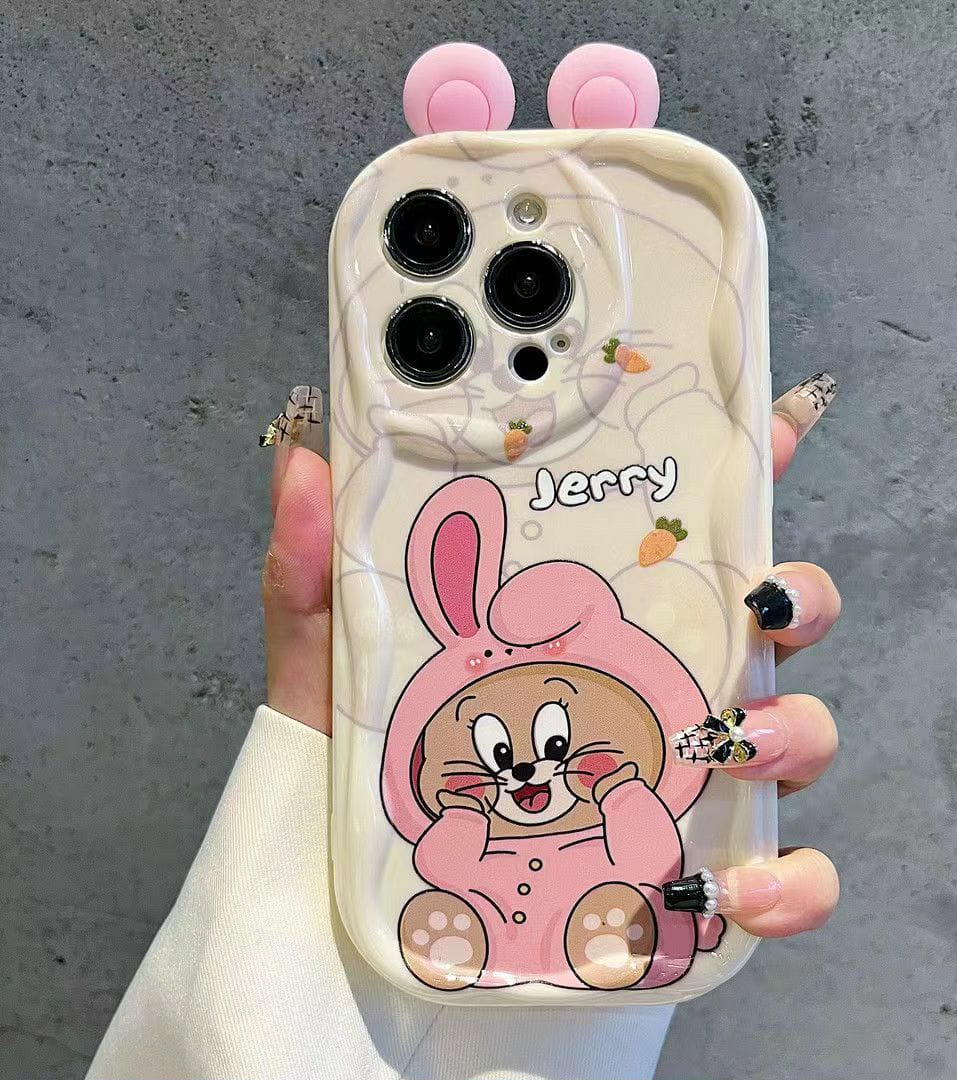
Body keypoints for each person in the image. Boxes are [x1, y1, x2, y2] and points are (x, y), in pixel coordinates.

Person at [87, 376, 841, 1080]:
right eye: (499, 752)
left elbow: (647, 849)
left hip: (601, 912)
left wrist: (626, 799)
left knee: (628, 909)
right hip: (478, 924)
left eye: (553, 743)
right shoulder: (436, 807)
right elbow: (440, 860)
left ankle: (607, 934)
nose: (527, 770)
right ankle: (543, 936)